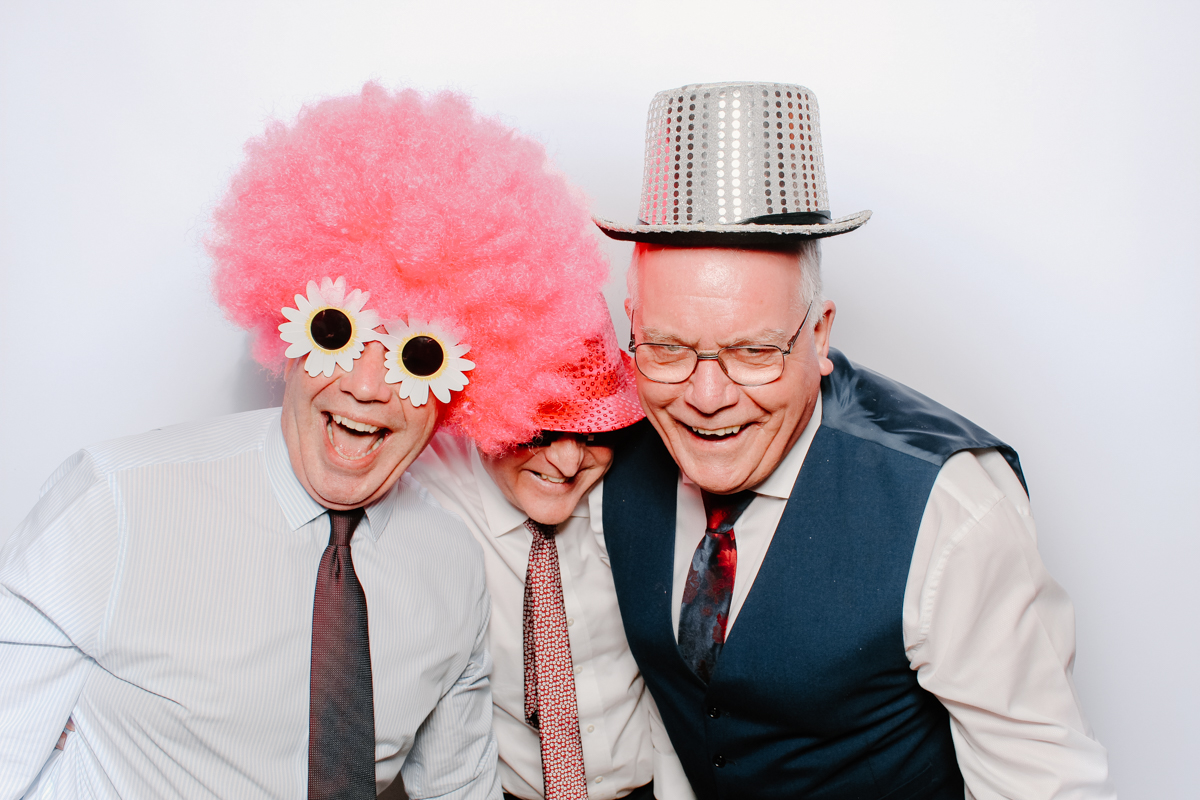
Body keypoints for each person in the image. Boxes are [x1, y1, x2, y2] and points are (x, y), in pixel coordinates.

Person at [0, 84, 612, 799]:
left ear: (462, 391)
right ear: (288, 331)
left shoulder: (451, 568)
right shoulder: (116, 505)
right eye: (338, 332)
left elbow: (458, 789)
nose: (368, 387)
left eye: (418, 356)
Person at [593, 82, 1116, 799]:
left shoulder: (947, 506)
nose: (706, 398)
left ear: (819, 335)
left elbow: (1046, 783)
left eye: (752, 351)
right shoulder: (607, 455)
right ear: (632, 327)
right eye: (668, 347)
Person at [410, 310, 694, 800]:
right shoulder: (423, 488)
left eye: (591, 433)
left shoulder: (638, 494)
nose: (567, 463)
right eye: (540, 431)